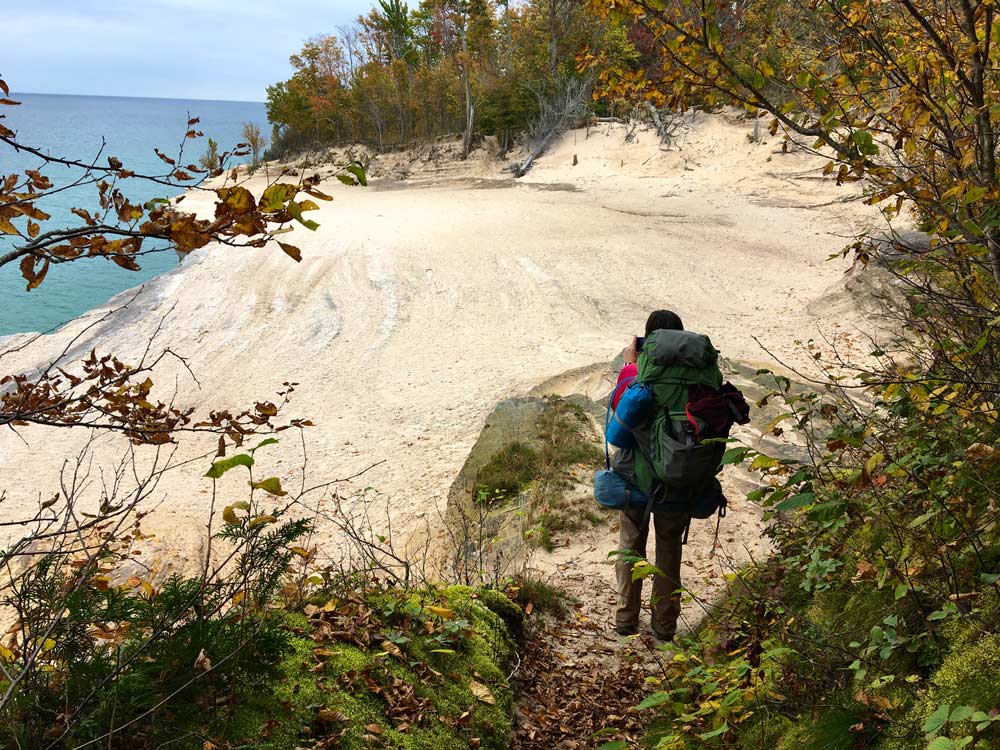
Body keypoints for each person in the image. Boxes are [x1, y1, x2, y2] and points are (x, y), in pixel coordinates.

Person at [609, 309, 722, 640]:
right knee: (669, 550)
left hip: (637, 478)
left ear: (650, 342)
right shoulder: (702, 380)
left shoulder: (641, 373)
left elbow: (618, 422)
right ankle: (664, 628)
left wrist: (630, 365)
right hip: (680, 479)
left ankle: (626, 620)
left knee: (630, 545)